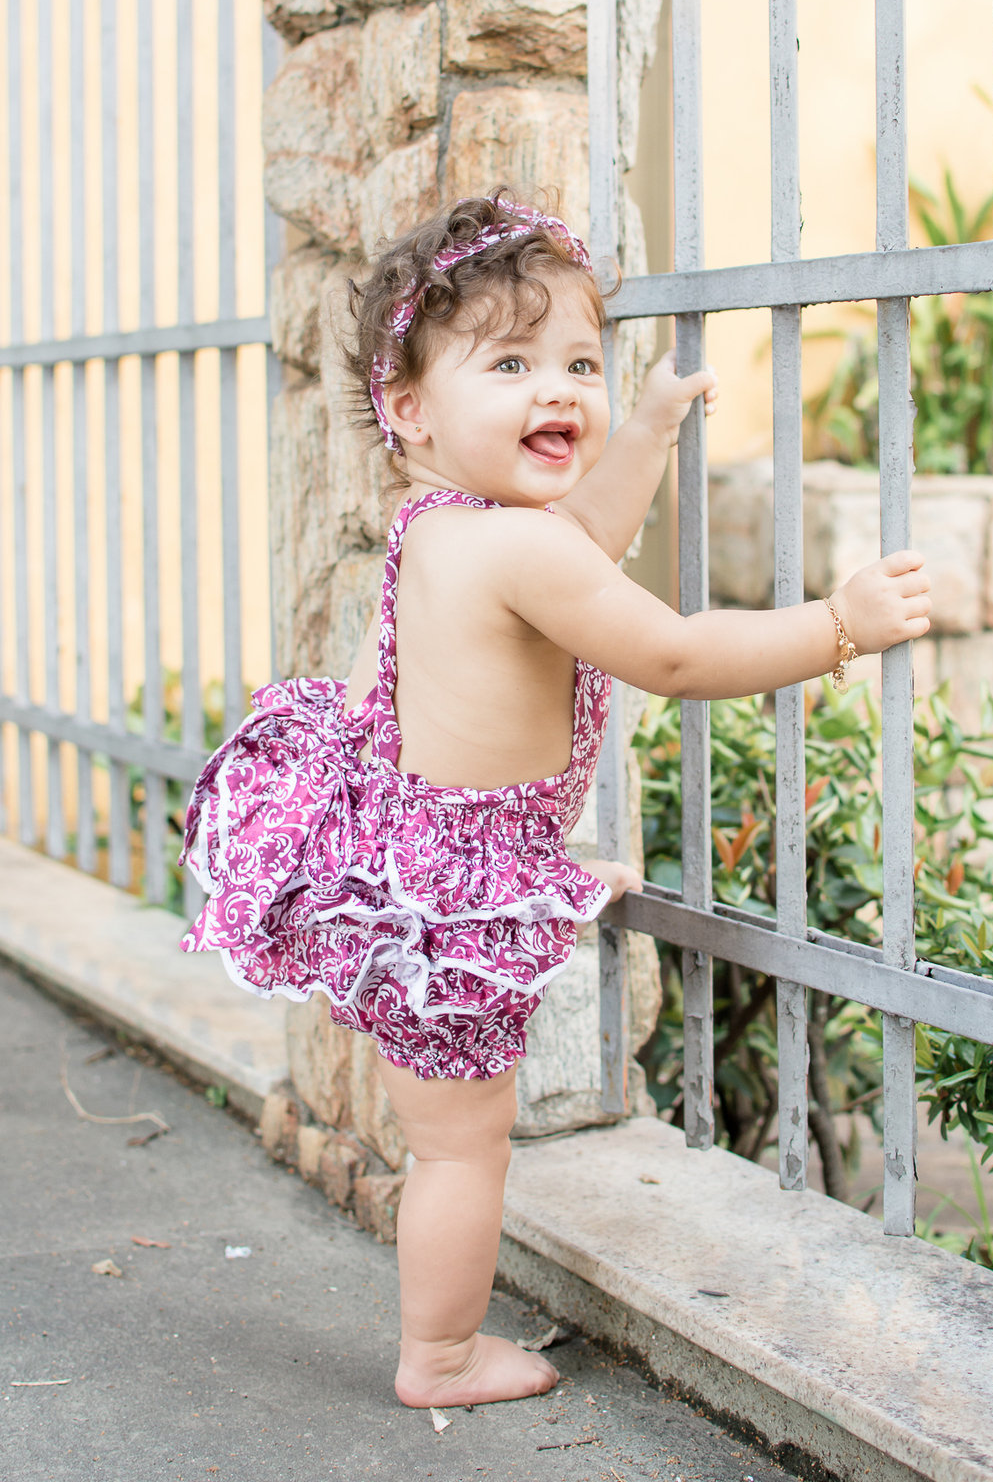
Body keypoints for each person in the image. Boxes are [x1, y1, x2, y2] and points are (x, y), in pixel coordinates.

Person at [179, 190, 931, 1411]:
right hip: (447, 898)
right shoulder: (515, 548)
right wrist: (838, 626)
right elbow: (672, 654)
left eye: (581, 363)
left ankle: (441, 1343)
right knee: (459, 1147)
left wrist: (647, 428)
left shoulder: (446, 526)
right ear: (409, 409)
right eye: (513, 364)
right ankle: (440, 1356)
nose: (560, 391)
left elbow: (582, 537)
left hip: (416, 864)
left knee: (449, 1138)